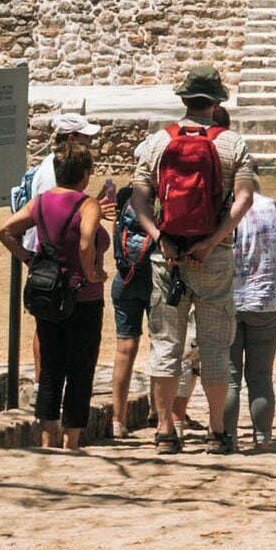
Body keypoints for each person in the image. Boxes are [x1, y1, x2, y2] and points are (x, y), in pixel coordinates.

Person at [133, 65, 256, 453]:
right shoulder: (232, 145)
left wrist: (160, 238)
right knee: (216, 347)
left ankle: (166, 429)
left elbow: (139, 197)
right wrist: (213, 241)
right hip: (213, 256)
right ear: (216, 102)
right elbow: (245, 199)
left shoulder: (156, 143)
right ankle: (218, 431)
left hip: (167, 258)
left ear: (183, 99)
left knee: (166, 346)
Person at [0, 143, 108, 447]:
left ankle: (46, 438)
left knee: (51, 368)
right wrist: (91, 273)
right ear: (85, 174)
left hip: (48, 295)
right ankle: (71, 441)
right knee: (81, 369)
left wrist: (30, 259)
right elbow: (86, 244)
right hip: (83, 297)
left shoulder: (41, 202)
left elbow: (3, 231)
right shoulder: (88, 205)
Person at [219, 169, 276, 450]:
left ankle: (228, 437)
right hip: (268, 299)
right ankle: (262, 437)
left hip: (228, 299)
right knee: (261, 374)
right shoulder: (274, 208)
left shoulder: (224, 211)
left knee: (230, 376)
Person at [102, 178, 156, 441]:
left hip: (124, 279)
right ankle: (159, 413)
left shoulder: (125, 194)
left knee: (124, 350)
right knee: (161, 346)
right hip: (155, 279)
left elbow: (116, 234)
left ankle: (118, 420)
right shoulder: (159, 195)